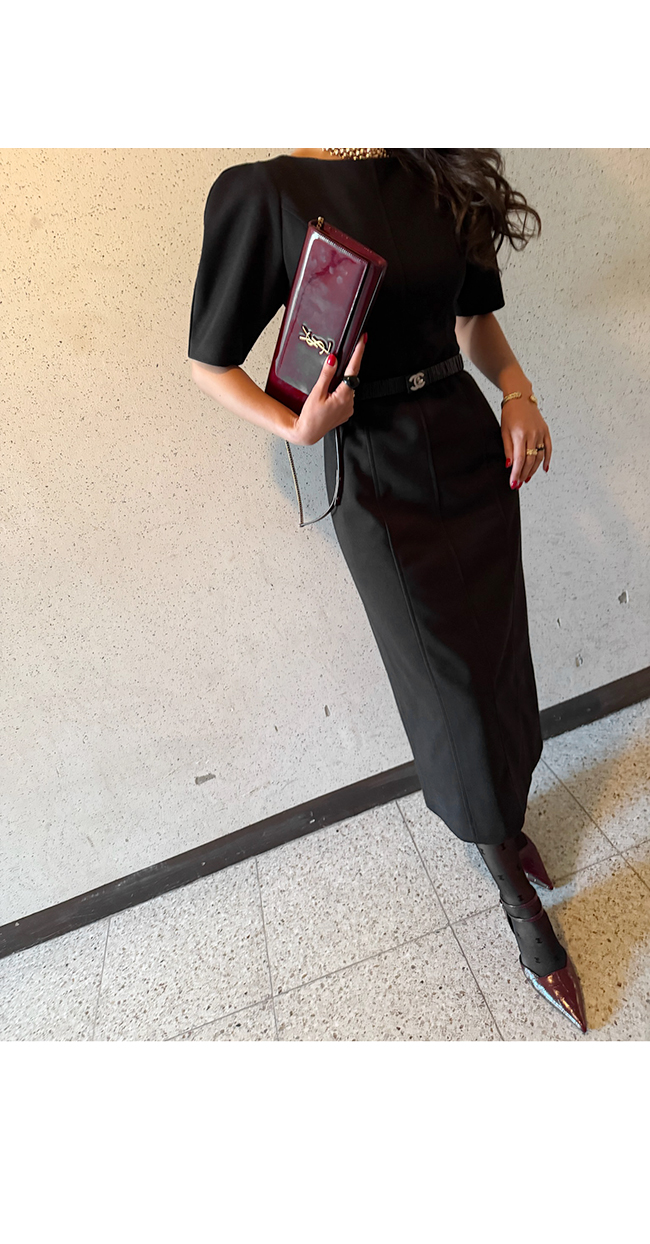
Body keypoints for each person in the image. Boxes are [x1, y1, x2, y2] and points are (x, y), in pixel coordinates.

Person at [187, 147, 587, 1034]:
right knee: (447, 688)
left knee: (499, 658)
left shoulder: (436, 169)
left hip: (470, 444)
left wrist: (517, 393)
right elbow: (209, 364)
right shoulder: (265, 192)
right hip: (375, 467)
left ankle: (505, 819)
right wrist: (296, 428)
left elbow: (475, 321)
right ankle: (514, 894)